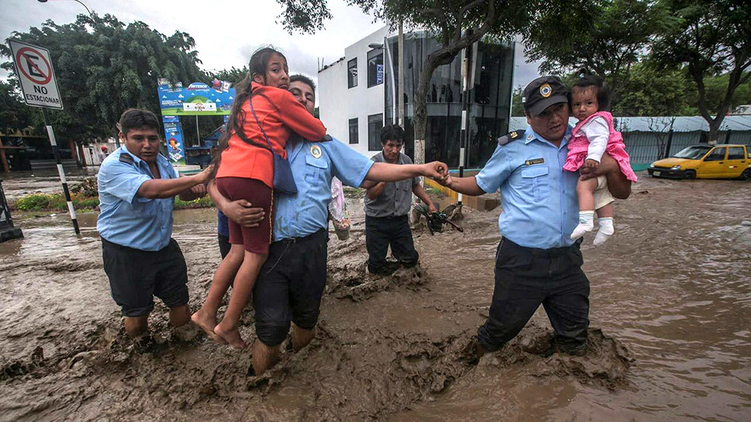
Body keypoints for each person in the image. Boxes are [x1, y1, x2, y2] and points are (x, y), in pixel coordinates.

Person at [209, 74, 447, 376]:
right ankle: (260, 385)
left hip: (312, 248)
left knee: (307, 319)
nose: (302, 99)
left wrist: (421, 168)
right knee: (271, 328)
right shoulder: (256, 137)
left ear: (313, 106)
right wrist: (226, 207)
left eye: (309, 96)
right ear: (280, 100)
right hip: (268, 251)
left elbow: (371, 170)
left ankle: (303, 377)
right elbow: (214, 179)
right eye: (294, 93)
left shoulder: (325, 145)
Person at [436, 76, 632, 358]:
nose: (555, 119)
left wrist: (611, 166)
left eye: (559, 109)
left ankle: (565, 382)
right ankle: (467, 362)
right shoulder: (512, 147)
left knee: (575, 335)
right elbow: (481, 184)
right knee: (499, 331)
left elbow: (622, 192)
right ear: (528, 117)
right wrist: (449, 182)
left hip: (567, 260)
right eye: (543, 113)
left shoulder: (588, 142)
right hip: (521, 262)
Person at [207, 47, 328, 348]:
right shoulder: (278, 99)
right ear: (258, 77)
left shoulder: (243, 107)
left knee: (237, 252)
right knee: (256, 256)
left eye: (285, 69)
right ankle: (229, 323)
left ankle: (207, 313)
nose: (284, 76)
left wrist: (225, 204)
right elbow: (317, 129)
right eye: (277, 70)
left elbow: (213, 175)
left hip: (229, 180)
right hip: (253, 178)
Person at [97, 108, 212, 338]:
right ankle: (141, 352)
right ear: (123, 137)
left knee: (180, 304)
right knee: (137, 316)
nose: (147, 145)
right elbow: (150, 190)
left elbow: (179, 192)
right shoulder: (114, 165)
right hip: (126, 252)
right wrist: (199, 177)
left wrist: (197, 189)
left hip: (162, 246)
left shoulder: (162, 162)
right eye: (138, 138)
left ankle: (183, 346)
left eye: (152, 138)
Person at [564, 75, 638, 245]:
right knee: (601, 197)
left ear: (599, 104)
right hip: (598, 167)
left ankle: (585, 222)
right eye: (577, 104)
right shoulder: (585, 124)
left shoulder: (595, 121)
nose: (582, 108)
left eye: (588, 103)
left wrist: (594, 158)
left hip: (594, 164)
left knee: (583, 187)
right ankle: (606, 225)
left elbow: (599, 139)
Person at [364, 124, 437, 275]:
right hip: (377, 220)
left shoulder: (407, 161)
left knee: (410, 259)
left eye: (398, 145)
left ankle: (401, 281)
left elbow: (415, 185)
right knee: (376, 264)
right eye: (390, 145)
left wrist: (429, 203)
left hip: (400, 220)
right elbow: (371, 195)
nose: (395, 150)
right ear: (383, 144)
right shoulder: (373, 164)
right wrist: (384, 177)